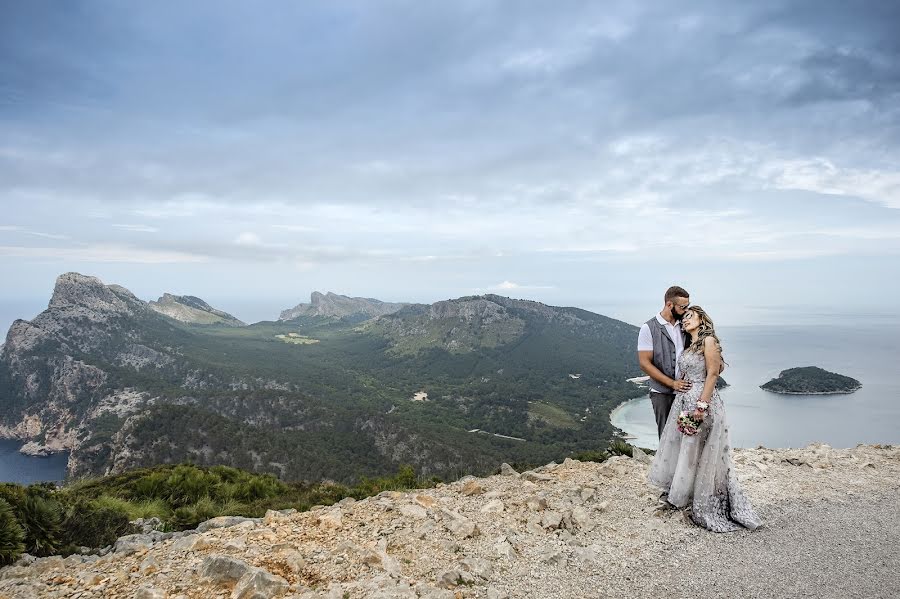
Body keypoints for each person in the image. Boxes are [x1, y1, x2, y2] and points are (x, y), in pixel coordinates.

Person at [647, 306, 761, 532]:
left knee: (701, 450)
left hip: (701, 404)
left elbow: (714, 373)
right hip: (685, 401)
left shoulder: (709, 340)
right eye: (684, 318)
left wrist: (702, 404)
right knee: (688, 449)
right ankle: (683, 495)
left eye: (690, 316)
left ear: (702, 319)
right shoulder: (692, 345)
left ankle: (703, 501)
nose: (685, 320)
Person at [637, 286, 692, 438]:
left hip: (686, 393)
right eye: (682, 307)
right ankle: (666, 463)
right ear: (669, 305)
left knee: (687, 433)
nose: (686, 309)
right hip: (661, 394)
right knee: (666, 436)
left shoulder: (686, 325)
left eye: (687, 306)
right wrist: (672, 383)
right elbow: (644, 363)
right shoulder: (648, 328)